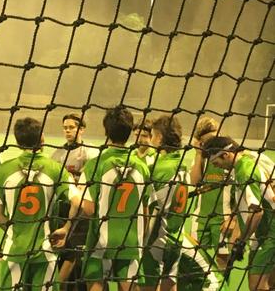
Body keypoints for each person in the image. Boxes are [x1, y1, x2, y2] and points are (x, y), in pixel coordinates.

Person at [56, 107, 151, 291]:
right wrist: (141, 237)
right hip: (131, 240)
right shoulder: (142, 167)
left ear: (106, 131)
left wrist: (71, 191)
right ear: (131, 131)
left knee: (97, 283)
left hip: (102, 240)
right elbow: (145, 210)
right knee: (129, 285)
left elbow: (90, 209)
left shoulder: (96, 164)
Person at [0, 117, 72, 290]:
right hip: (45, 251)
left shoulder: (4, 169)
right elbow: (80, 203)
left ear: (18, 141)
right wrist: (66, 228)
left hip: (14, 251)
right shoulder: (56, 168)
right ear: (42, 138)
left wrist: (17, 231)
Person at [203, 136, 275, 291]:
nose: (218, 168)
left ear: (226, 154)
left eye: (217, 163)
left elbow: (256, 212)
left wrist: (241, 241)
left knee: (257, 286)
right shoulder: (250, 159)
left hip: (269, 234)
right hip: (264, 233)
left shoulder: (244, 172)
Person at [139, 115, 189, 291]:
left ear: (159, 137)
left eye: (152, 135)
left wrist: (141, 242)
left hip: (156, 241)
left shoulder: (157, 169)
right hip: (176, 239)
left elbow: (148, 209)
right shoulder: (183, 165)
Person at [50, 113, 98, 291]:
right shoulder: (57, 154)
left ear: (82, 129)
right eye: (65, 127)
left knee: (76, 252)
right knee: (64, 252)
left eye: (71, 127)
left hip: (83, 210)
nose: (68, 131)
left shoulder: (91, 153)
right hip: (63, 209)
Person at [189, 117, 233, 270]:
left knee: (223, 263)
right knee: (194, 260)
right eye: (207, 141)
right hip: (200, 218)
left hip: (223, 219)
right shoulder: (202, 157)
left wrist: (232, 218)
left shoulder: (228, 156)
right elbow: (194, 182)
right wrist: (198, 154)